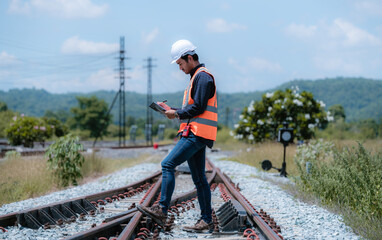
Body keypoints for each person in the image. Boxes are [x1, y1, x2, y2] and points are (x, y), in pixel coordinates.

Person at [137, 39, 218, 233]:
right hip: (195, 133)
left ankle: (162, 210)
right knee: (199, 180)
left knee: (167, 164)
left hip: (196, 135)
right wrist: (172, 110)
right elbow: (193, 107)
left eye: (180, 64)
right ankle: (206, 220)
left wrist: (177, 113)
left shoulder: (203, 78)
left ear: (190, 58)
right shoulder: (196, 78)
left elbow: (197, 107)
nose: (180, 68)